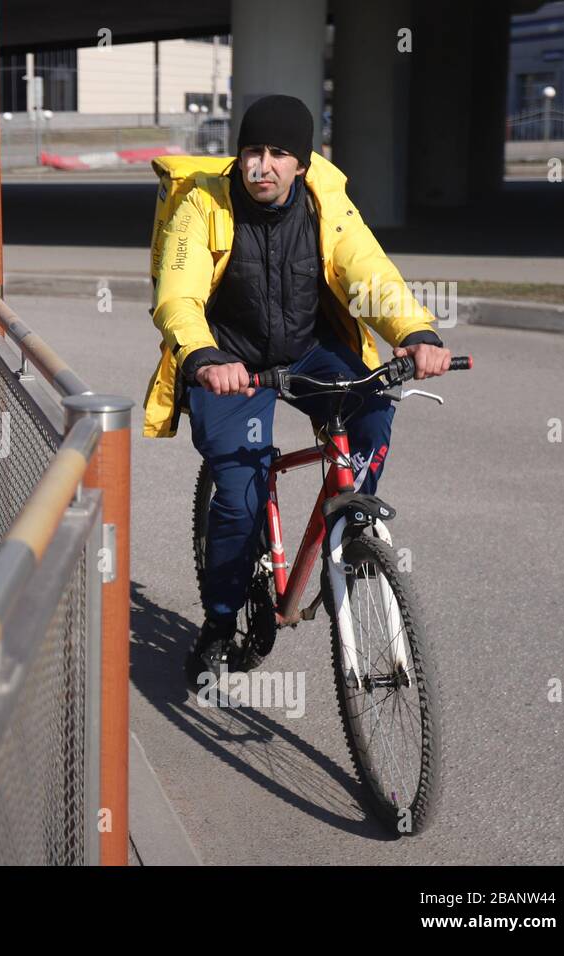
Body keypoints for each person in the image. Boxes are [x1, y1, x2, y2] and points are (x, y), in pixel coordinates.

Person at [143, 94, 454, 679]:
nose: (264, 164)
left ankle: (352, 519)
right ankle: (219, 616)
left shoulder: (323, 205)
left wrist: (413, 331)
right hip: (230, 360)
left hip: (308, 349)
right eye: (253, 151)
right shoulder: (202, 205)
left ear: (302, 165)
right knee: (239, 495)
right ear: (239, 158)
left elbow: (367, 272)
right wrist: (205, 356)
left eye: (279, 153)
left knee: (371, 404)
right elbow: (177, 293)